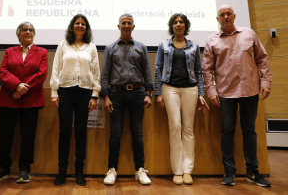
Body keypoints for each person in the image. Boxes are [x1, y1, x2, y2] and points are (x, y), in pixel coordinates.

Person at [202, 4, 272, 187]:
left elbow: (262, 59)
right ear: (217, 19)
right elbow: (207, 69)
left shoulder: (249, 34)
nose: (225, 17)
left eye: (228, 14)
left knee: (249, 131)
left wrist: (266, 82)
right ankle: (229, 170)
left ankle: (252, 171)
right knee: (227, 131)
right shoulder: (212, 40)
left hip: (250, 90)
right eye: (221, 15)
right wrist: (211, 91)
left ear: (234, 16)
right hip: (225, 92)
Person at [0, 22, 48, 183]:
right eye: (24, 30)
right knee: (5, 134)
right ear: (18, 34)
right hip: (8, 97)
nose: (28, 32)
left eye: (30, 30)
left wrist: (22, 89)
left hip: (31, 99)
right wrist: (16, 85)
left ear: (33, 34)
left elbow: (41, 74)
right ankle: (4, 168)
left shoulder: (41, 52)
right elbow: (2, 71)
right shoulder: (9, 51)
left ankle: (24, 168)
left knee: (28, 135)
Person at [154, 13, 209, 185]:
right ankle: (177, 171)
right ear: (172, 26)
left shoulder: (194, 46)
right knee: (175, 127)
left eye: (182, 22)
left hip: (190, 89)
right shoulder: (164, 45)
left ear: (186, 26)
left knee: (188, 129)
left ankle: (187, 171)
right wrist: (158, 93)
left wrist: (201, 93)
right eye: (176, 22)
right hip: (169, 88)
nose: (179, 24)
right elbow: (158, 69)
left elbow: (199, 71)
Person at [101, 13, 154, 186]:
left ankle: (140, 169)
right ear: (118, 26)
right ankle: (112, 170)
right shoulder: (110, 48)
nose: (126, 25)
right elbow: (105, 74)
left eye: (129, 23)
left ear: (133, 26)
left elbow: (147, 71)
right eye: (123, 23)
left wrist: (148, 93)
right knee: (116, 133)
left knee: (137, 133)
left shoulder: (141, 47)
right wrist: (106, 96)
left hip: (138, 93)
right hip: (116, 94)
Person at [50, 14, 101, 186]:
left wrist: (95, 95)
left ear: (86, 28)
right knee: (64, 132)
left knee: (80, 132)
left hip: (85, 91)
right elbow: (56, 68)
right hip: (65, 90)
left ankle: (79, 170)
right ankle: (62, 171)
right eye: (77, 23)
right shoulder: (63, 45)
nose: (80, 26)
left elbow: (96, 73)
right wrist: (54, 92)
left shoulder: (91, 47)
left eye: (83, 24)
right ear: (72, 26)